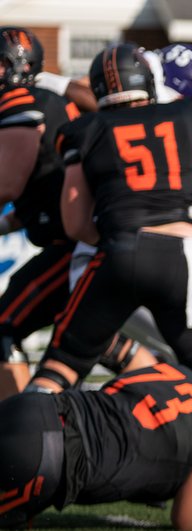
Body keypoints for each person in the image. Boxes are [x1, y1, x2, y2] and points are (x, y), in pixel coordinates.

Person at [27, 43, 192, 393]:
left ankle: (26, 435)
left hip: (120, 251)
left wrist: (117, 238)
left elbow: (75, 222)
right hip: (185, 254)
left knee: (63, 363)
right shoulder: (184, 115)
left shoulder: (86, 129)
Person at [0, 362, 192, 531]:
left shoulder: (177, 372)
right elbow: (189, 519)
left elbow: (116, 389)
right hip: (48, 458)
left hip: (37, 406)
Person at [0, 27, 78, 397]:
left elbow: (8, 185)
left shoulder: (19, 101)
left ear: (17, 67)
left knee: (3, 326)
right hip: (89, 240)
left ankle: (14, 429)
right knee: (92, 340)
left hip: (77, 246)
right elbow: (42, 186)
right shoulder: (49, 100)